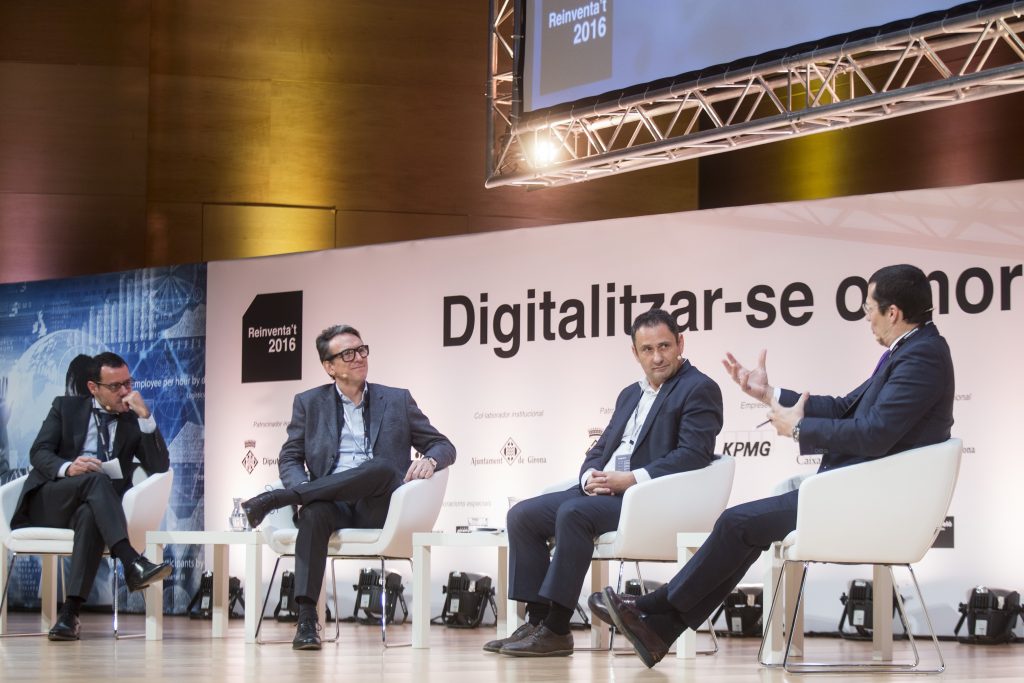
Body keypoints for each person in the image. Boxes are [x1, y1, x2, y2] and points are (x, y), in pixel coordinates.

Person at [596, 264, 955, 668]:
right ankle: (660, 626)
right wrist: (769, 394)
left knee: (738, 523)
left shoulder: (921, 356)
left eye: (869, 309)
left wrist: (800, 428)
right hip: (856, 491)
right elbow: (844, 408)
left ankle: (653, 611)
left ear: (893, 312)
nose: (866, 318)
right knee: (743, 527)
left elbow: (875, 434)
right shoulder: (909, 351)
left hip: (871, 500)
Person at [486, 309, 724, 657]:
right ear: (635, 352)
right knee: (522, 515)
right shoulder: (630, 394)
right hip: (605, 492)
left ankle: (557, 628)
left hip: (647, 499)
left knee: (573, 514)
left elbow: (693, 454)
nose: (657, 357)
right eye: (647, 349)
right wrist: (589, 477)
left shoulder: (699, 388)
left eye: (664, 346)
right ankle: (536, 622)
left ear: (680, 344)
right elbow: (600, 447)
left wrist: (630, 479)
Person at [239, 324, 456, 651]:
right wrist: (303, 485)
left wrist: (432, 460)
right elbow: (291, 456)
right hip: (332, 503)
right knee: (313, 514)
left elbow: (443, 445)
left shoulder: (396, 400)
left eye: (362, 350)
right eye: (348, 354)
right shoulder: (309, 403)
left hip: (379, 505)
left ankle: (280, 499)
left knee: (382, 467)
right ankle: (307, 619)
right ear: (329, 367)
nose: (359, 358)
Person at [11, 352, 173, 641]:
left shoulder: (132, 420)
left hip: (92, 507)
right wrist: (68, 467)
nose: (124, 391)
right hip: (51, 500)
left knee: (90, 513)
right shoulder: (65, 407)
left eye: (128, 383)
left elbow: (160, 466)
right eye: (115, 386)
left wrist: (146, 417)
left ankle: (69, 615)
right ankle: (131, 561)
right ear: (93, 387)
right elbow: (39, 452)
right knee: (96, 480)